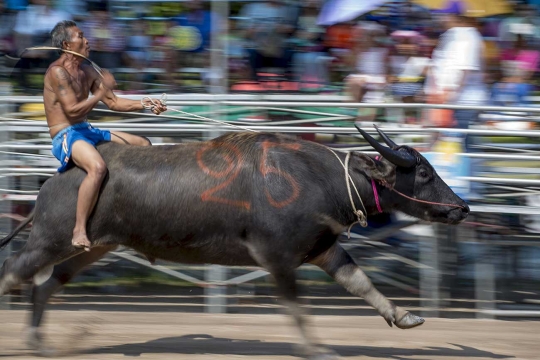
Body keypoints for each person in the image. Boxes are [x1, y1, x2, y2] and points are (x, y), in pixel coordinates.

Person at [44, 20, 167, 251]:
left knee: (143, 143)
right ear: (66, 44)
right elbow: (72, 110)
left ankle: (141, 208)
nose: (87, 40)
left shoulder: (88, 70)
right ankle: (79, 229)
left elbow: (114, 102)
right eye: (80, 36)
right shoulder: (57, 72)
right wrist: (100, 92)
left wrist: (146, 103)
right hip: (65, 135)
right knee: (97, 167)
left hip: (86, 130)